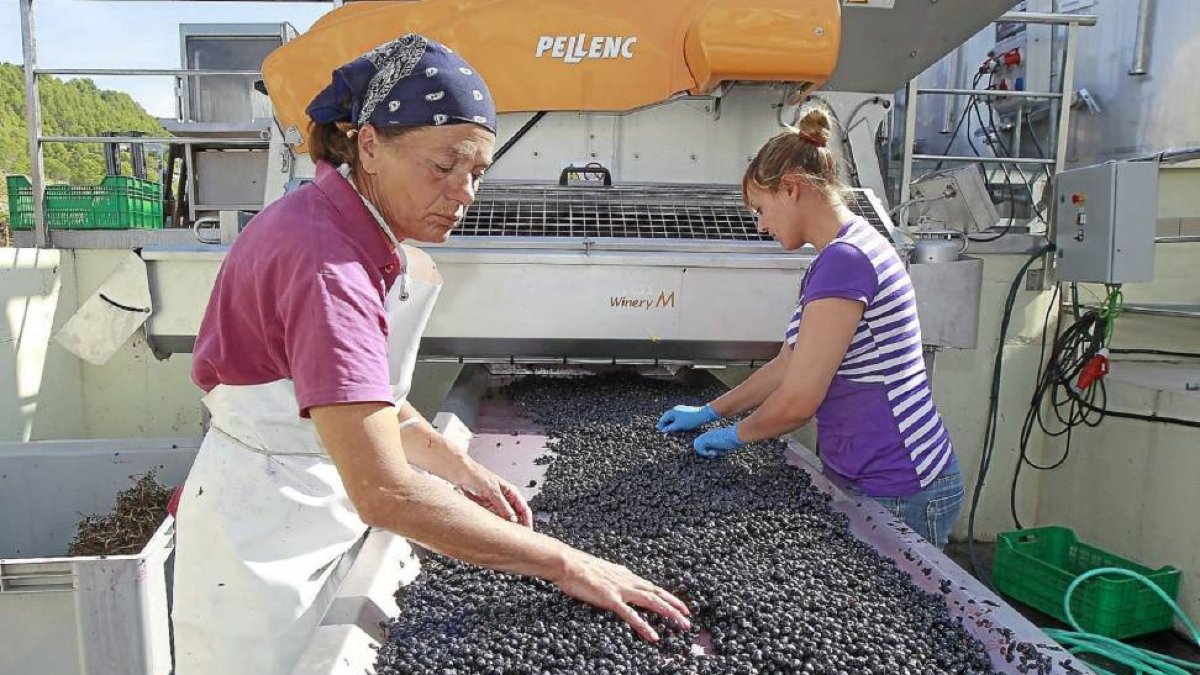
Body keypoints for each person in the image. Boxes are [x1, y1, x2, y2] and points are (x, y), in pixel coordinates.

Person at [172, 33, 688, 675]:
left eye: (476, 172)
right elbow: (386, 491)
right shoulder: (326, 265)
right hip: (263, 546)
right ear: (368, 145)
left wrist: (461, 469)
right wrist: (565, 562)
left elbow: (371, 401)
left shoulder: (344, 229)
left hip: (301, 495)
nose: (463, 192)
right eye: (443, 168)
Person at [656, 107, 965, 550]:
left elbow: (800, 400)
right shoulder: (842, 252)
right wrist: (711, 411)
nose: (761, 225)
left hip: (899, 483)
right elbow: (788, 365)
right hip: (868, 471)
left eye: (761, 209)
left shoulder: (846, 261)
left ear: (791, 188)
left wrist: (736, 436)